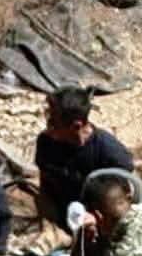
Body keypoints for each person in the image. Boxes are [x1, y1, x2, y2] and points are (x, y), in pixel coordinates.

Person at [35, 86, 133, 229]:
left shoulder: (110, 153)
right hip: (57, 212)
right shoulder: (46, 143)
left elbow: (120, 201)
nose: (49, 124)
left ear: (76, 126)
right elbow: (45, 183)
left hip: (95, 220)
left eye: (54, 120)